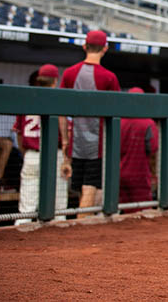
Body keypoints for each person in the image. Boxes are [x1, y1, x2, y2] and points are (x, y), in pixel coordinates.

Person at [59, 30, 121, 215]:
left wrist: (65, 141)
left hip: (75, 143)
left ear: (85, 46)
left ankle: (82, 225)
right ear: (105, 49)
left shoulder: (70, 73)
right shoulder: (109, 77)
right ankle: (81, 231)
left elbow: (61, 112)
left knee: (83, 190)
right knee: (90, 189)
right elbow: (116, 114)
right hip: (98, 146)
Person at [13, 64, 69, 224]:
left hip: (31, 155)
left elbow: (18, 132)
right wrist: (66, 158)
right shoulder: (58, 99)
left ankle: (21, 240)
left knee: (26, 209)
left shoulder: (27, 99)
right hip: (55, 155)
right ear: (55, 80)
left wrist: (25, 153)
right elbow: (65, 129)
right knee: (58, 210)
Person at [119, 88, 159, 212]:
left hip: (119, 173)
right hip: (140, 173)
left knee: (126, 212)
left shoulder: (118, 121)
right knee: (144, 212)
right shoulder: (148, 122)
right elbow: (153, 148)